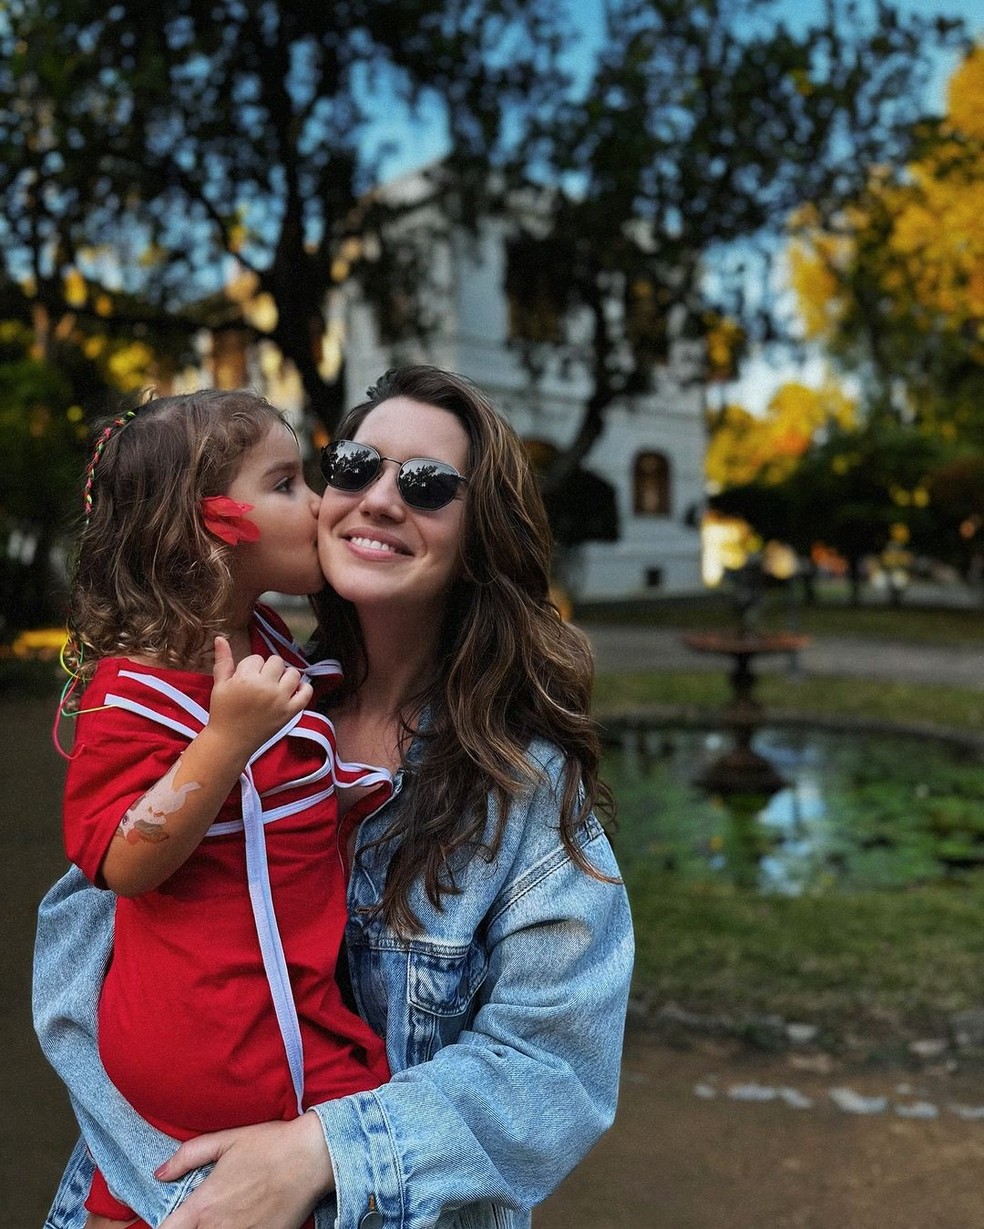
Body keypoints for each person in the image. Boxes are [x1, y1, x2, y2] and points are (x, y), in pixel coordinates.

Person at [35, 364, 635, 1229]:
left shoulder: (524, 790)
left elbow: (556, 1069)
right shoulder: (215, 703)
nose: (378, 499)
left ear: (480, 535)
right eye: (351, 465)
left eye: (427, 484)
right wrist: (180, 1192)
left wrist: (321, 1152)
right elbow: (80, 970)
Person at [49, 389, 391, 1227]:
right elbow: (118, 860)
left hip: (288, 1025)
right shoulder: (130, 691)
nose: (318, 504)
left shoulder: (270, 643)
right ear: (208, 524)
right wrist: (224, 739)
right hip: (209, 1049)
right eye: (285, 483)